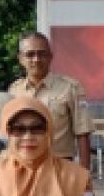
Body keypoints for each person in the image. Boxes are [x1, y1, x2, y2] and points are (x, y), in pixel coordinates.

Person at [8, 31, 94, 169]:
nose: (36, 59)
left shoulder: (70, 88)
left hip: (59, 166)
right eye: (30, 54)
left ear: (50, 57)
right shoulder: (14, 90)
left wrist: (85, 178)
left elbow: (82, 132)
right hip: (23, 167)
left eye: (41, 54)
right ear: (20, 58)